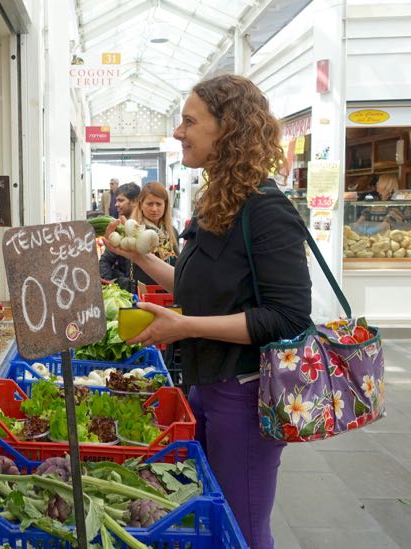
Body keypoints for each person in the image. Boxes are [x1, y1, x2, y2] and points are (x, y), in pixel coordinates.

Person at [103, 74, 312, 549]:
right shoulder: (220, 201)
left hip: (246, 394)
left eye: (189, 121)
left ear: (230, 129)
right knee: (216, 517)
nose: (179, 131)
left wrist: (183, 326)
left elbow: (289, 317)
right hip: (208, 385)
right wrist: (139, 256)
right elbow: (197, 289)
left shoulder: (266, 209)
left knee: (243, 526)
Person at [99, 182, 143, 289]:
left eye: (121, 200)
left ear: (134, 202)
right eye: (116, 200)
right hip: (127, 291)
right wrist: (109, 285)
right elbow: (105, 261)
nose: (116, 204)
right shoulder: (119, 229)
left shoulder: (145, 229)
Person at [131, 182, 179, 265]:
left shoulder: (172, 231)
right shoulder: (133, 229)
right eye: (150, 204)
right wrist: (123, 278)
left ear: (165, 205)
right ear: (141, 205)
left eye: (159, 204)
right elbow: (106, 260)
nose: (154, 209)